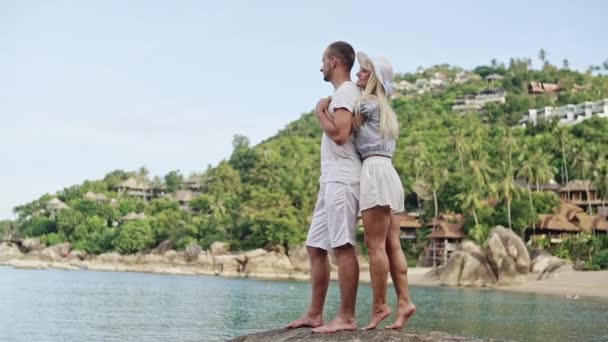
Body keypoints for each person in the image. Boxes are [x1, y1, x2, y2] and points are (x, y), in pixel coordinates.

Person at [285, 41, 362, 334]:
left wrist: (320, 113)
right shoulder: (341, 95)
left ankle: (347, 317)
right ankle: (315, 314)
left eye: (322, 61)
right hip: (329, 180)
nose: (320, 67)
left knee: (342, 247)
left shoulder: (345, 93)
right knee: (316, 246)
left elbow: (341, 135)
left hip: (343, 180)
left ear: (333, 61)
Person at [352, 52, 416, 330]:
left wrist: (326, 105)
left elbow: (342, 120)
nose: (357, 76)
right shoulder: (386, 109)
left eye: (363, 72)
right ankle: (404, 302)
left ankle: (380, 305)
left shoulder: (367, 103)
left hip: (374, 172)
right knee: (392, 244)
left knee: (374, 245)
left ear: (373, 79)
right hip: (389, 172)